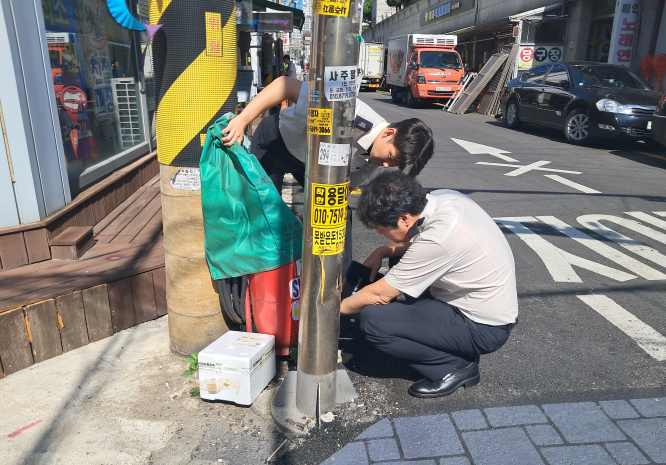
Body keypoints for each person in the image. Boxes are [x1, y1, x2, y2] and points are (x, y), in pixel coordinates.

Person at [222, 76, 434, 275]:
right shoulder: (347, 109)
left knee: (340, 213)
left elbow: (344, 189)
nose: (387, 165)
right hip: (276, 143)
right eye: (390, 157)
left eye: (394, 164)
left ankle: (339, 282)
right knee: (264, 212)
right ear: (388, 134)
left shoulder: (375, 158)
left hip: (311, 164)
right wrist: (242, 121)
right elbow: (284, 84)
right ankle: (258, 274)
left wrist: (316, 209)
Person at [340, 171, 518, 398]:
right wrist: (383, 250)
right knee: (400, 257)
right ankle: (438, 339)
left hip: (483, 327)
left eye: (383, 230)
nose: (383, 235)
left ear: (404, 218)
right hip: (478, 303)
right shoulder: (447, 198)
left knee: (374, 322)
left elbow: (380, 293)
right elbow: (426, 244)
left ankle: (454, 367)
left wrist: (336, 312)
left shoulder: (439, 239)